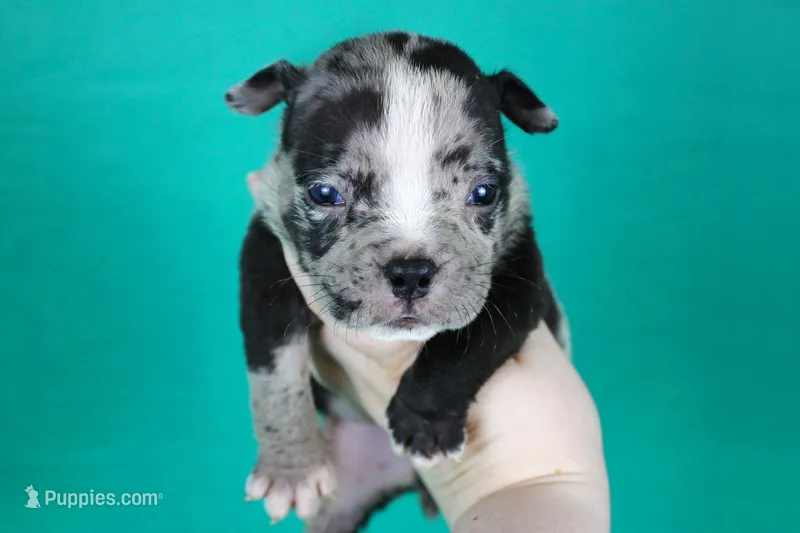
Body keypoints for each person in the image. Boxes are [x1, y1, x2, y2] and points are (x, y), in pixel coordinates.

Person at [280, 242, 611, 533]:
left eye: (479, 197)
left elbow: (518, 295)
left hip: (433, 416)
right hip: (356, 417)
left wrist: (514, 477)